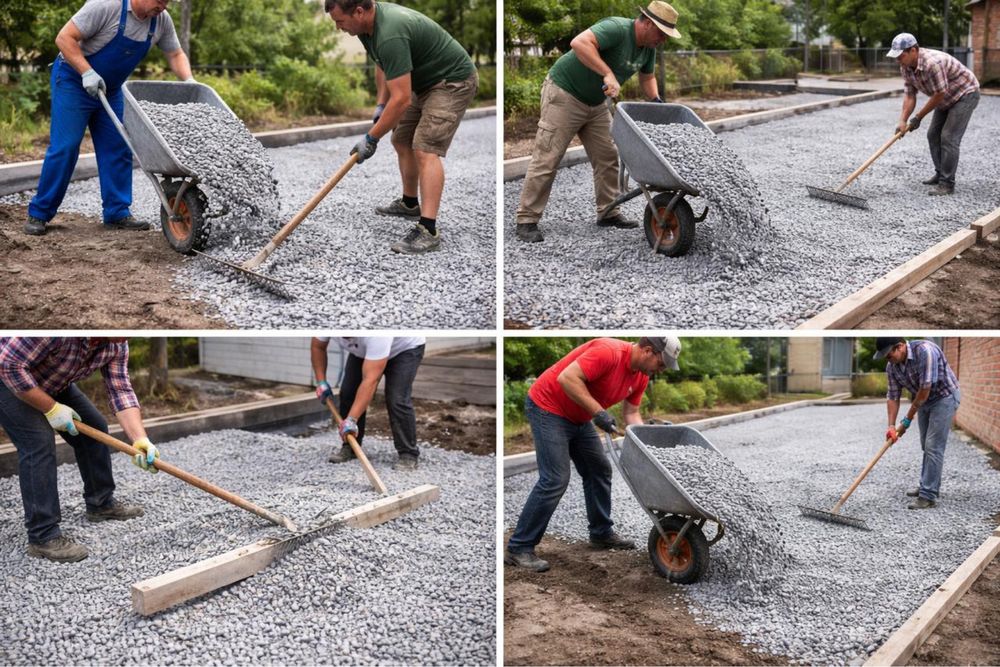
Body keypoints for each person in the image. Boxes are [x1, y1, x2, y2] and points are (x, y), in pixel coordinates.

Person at [504, 336, 681, 572]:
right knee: (555, 478)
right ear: (648, 351)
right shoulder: (608, 352)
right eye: (661, 364)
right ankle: (519, 548)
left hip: (580, 416)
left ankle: (601, 533)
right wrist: (599, 413)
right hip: (548, 407)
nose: (662, 370)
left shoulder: (641, 376)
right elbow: (566, 378)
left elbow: (632, 414)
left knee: (599, 468)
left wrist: (645, 444)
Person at [25, 0, 194, 237]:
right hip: (74, 80)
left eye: (167, 2)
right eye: (160, 0)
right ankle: (39, 213)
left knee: (118, 146)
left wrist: (190, 82)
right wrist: (87, 72)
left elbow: (175, 53)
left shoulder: (161, 21)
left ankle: (116, 213)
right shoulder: (105, 6)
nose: (163, 7)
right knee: (66, 146)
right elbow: (64, 38)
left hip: (112, 89)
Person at [514, 2, 680, 243]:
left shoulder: (648, 48)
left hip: (596, 104)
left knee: (607, 156)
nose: (663, 40)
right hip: (565, 94)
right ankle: (526, 219)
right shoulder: (616, 28)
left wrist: (656, 101)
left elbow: (648, 77)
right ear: (647, 23)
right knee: (548, 156)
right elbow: (579, 43)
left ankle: (608, 212)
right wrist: (607, 72)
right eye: (661, 34)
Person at [325, 0, 478, 255]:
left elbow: (403, 99)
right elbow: (382, 64)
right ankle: (410, 203)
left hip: (452, 81)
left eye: (340, 21)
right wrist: (380, 104)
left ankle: (428, 229)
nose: (339, 28)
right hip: (424, 83)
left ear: (359, 12)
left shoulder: (390, 33)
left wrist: (371, 139)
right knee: (401, 139)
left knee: (425, 148)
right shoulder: (366, 29)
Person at [0, 338, 159, 562]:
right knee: (38, 443)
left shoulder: (117, 344)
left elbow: (120, 389)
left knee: (95, 428)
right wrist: (52, 408)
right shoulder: (57, 334)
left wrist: (140, 438)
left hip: (51, 382)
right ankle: (43, 536)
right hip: (6, 379)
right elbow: (8, 365)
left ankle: (100, 503)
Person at [311, 336, 426, 471]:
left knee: (397, 399)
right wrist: (321, 382)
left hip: (404, 349)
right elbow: (317, 347)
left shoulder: (375, 336)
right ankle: (351, 446)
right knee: (349, 393)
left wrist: (351, 420)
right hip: (364, 351)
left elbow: (370, 381)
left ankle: (408, 454)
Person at [886, 32, 980, 196]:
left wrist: (918, 117)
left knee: (949, 137)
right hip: (945, 97)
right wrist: (903, 120)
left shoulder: (932, 63)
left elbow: (939, 94)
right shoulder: (905, 67)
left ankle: (947, 183)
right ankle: (940, 173)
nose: (898, 60)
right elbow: (909, 95)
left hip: (965, 94)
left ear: (913, 50)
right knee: (932, 135)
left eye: (900, 55)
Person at [875, 337, 961, 510]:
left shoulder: (925, 351)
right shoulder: (892, 367)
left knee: (933, 446)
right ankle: (926, 484)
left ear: (899, 347)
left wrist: (906, 420)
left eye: (889, 355)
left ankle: (928, 495)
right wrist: (891, 426)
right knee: (925, 445)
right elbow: (893, 396)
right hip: (924, 401)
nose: (887, 359)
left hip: (944, 397)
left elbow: (924, 390)